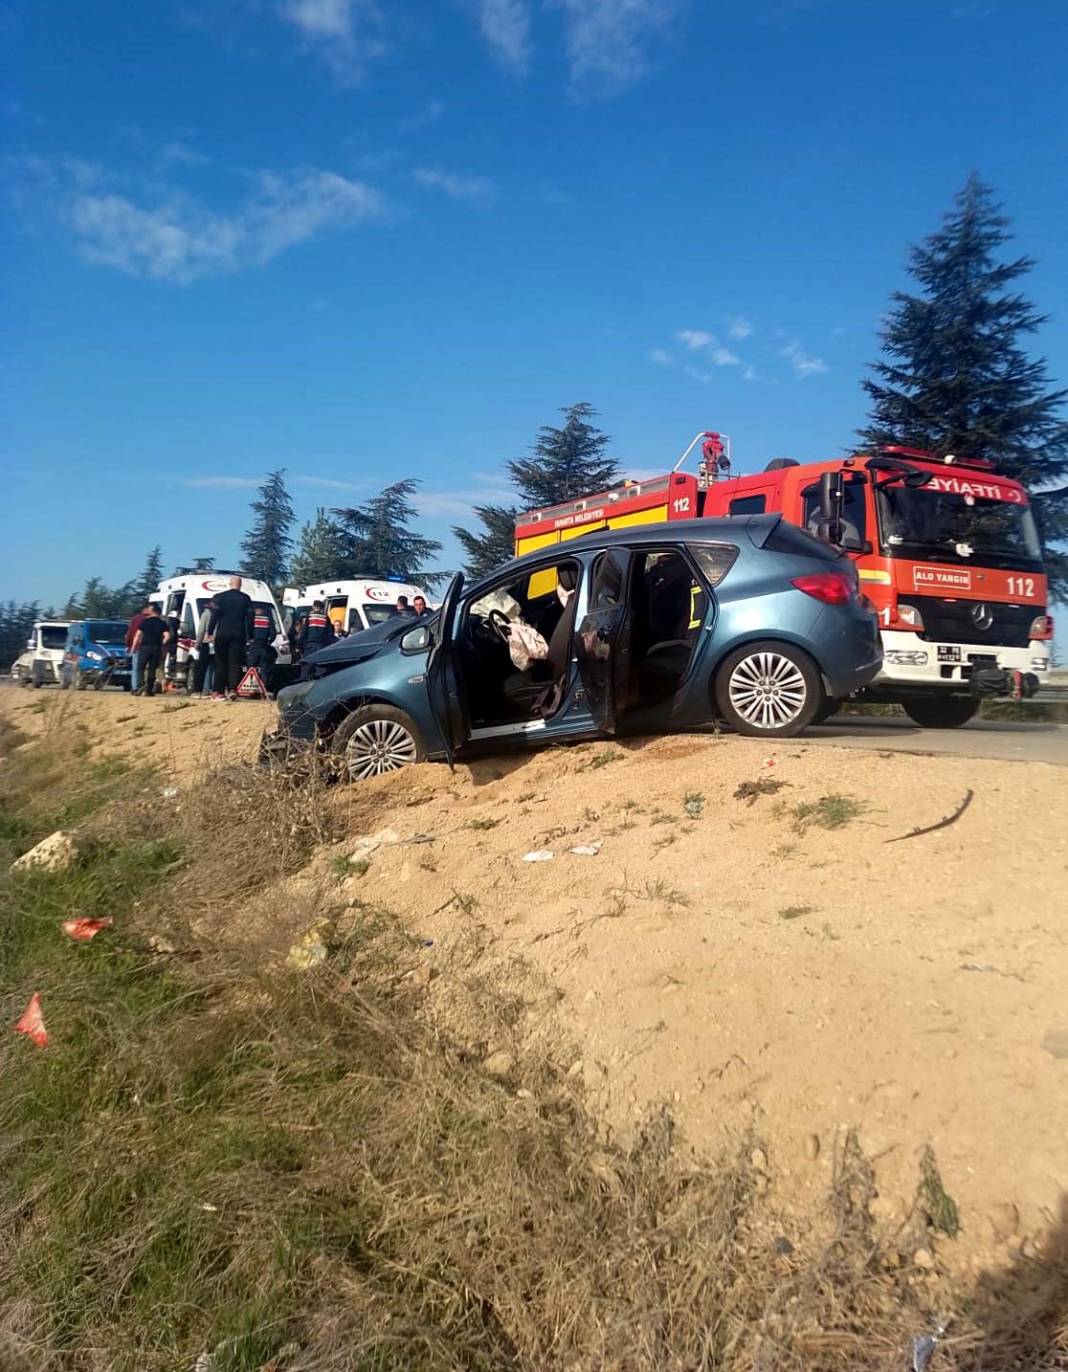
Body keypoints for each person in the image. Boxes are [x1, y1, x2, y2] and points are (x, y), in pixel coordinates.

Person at [207, 576, 253, 700]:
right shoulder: (246, 598)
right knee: (235, 663)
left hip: (222, 633)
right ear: (240, 585)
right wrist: (251, 635)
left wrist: (210, 631)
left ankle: (218, 691)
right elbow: (250, 618)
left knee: (220, 663)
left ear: (229, 584)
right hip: (238, 634)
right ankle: (233, 689)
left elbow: (214, 616)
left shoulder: (220, 597)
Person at [131, 604, 170, 697]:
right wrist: (162, 644)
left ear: (153, 611)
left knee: (140, 667)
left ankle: (141, 686)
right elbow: (167, 636)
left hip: (145, 647)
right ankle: (149, 689)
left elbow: (138, 635)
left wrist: (134, 646)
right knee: (152, 669)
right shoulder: (162, 623)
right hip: (156, 648)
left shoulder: (145, 622)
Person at [298, 600, 334, 680]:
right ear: (321, 608)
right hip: (322, 645)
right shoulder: (326, 618)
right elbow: (330, 634)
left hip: (309, 646)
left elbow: (304, 632)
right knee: (321, 668)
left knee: (307, 667)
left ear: (313, 607)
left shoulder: (309, 617)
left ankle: (303, 685)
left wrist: (300, 644)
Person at [190, 598, 216, 696]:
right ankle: (214, 689)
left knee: (204, 667)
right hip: (217, 643)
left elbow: (201, 630)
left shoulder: (206, 614)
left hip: (206, 642)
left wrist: (198, 642)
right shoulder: (221, 615)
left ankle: (204, 689)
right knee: (215, 667)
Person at [247, 604, 277, 688]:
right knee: (264, 668)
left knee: (251, 668)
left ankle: (251, 687)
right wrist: (269, 641)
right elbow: (273, 633)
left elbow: (247, 630)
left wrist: (249, 640)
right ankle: (264, 688)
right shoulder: (268, 618)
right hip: (264, 645)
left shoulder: (252, 618)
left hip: (254, 645)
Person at [126, 603, 151, 694]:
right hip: (148, 647)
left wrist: (129, 646)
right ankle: (146, 687)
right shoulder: (149, 620)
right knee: (147, 668)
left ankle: (135, 687)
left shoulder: (134, 619)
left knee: (136, 668)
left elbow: (129, 634)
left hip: (136, 647)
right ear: (146, 609)